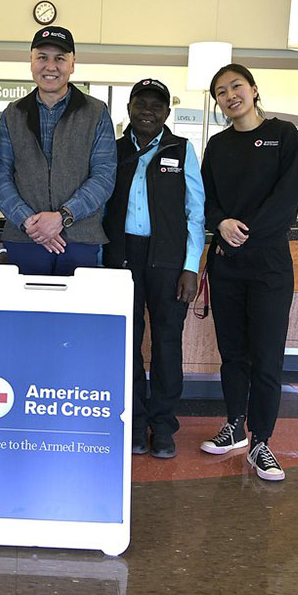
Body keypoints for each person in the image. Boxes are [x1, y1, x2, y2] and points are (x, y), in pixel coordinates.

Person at [198, 64, 298, 481]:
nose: (230, 95)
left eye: (236, 86)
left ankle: (262, 441)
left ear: (254, 90)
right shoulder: (218, 145)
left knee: (265, 357)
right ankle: (234, 426)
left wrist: (247, 232)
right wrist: (221, 222)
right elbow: (205, 200)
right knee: (233, 353)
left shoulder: (283, 136)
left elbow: (287, 199)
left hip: (269, 267)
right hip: (227, 264)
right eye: (221, 92)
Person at [102, 79, 205, 459]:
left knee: (165, 344)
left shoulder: (182, 151)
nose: (148, 110)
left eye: (156, 105)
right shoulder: (110, 152)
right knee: (126, 344)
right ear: (128, 107)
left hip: (168, 261)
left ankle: (162, 426)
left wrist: (190, 266)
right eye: (140, 103)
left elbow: (196, 213)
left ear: (167, 112)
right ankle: (133, 421)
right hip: (121, 259)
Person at [0, 26, 116, 275]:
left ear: (72, 64)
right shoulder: (12, 115)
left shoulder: (96, 113)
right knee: (26, 314)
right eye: (42, 57)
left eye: (60, 58)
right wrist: (30, 222)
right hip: (25, 238)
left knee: (77, 314)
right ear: (31, 61)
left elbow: (104, 175)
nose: (50, 66)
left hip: (81, 239)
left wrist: (62, 217)